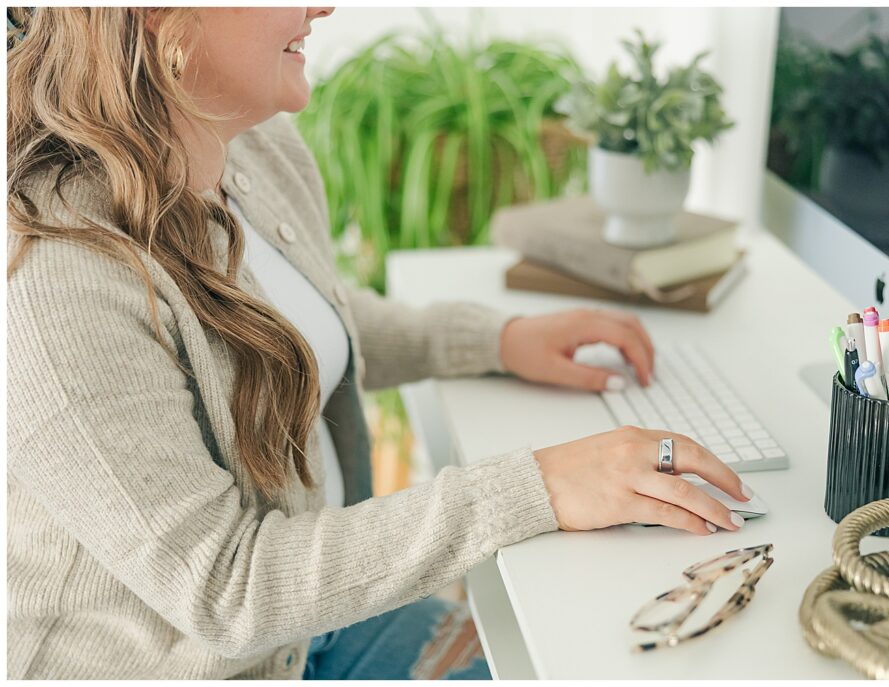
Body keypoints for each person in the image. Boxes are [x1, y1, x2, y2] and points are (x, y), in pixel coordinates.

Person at [6, 7, 752, 680]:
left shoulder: (252, 143)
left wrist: (496, 338)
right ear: (159, 16)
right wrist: (541, 486)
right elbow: (227, 589)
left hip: (313, 626)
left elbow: (288, 322)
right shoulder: (55, 273)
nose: (323, 5)